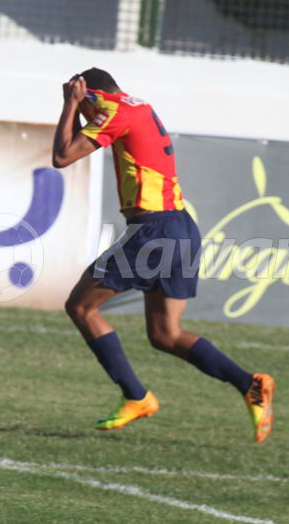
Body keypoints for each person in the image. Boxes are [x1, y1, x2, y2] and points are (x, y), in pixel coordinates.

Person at [52, 68, 275, 442]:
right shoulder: (136, 106)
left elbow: (62, 156)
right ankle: (249, 384)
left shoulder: (112, 109)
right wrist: (78, 105)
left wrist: (69, 105)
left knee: (81, 307)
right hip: (181, 226)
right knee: (165, 334)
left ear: (91, 94)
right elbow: (82, 141)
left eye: (84, 101)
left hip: (153, 231)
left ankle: (136, 396)